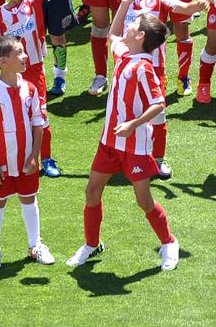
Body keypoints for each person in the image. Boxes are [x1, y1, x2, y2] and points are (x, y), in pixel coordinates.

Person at [70, 13, 182, 270]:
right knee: (92, 191)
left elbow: (158, 104)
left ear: (140, 36)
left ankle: (169, 242)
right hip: (109, 141)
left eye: (133, 24)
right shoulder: (124, 56)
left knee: (143, 200)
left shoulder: (144, 68)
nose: (127, 25)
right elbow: (111, 34)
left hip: (135, 146)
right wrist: (123, 3)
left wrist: (133, 124)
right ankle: (92, 244)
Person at [0, 36, 54, 268]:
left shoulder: (30, 89)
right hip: (2, 164)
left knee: (29, 199)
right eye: (19, 53)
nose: (25, 56)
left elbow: (38, 124)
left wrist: (34, 156)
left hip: (26, 162)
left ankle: (35, 245)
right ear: (4, 61)